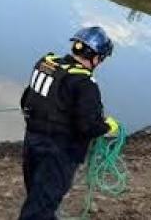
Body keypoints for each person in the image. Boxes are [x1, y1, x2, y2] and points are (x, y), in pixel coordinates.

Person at [18, 26, 120, 220]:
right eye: (101, 58)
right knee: (39, 208)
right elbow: (88, 127)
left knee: (37, 195)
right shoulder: (85, 84)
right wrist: (108, 126)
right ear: (96, 57)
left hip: (32, 141)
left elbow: (26, 100)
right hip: (59, 152)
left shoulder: (46, 63)